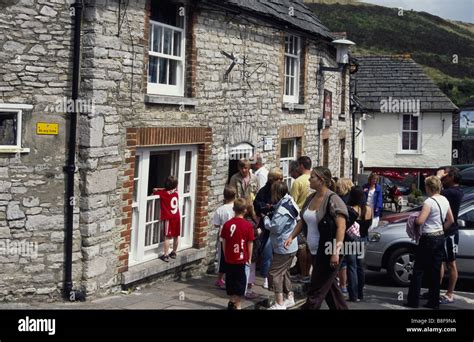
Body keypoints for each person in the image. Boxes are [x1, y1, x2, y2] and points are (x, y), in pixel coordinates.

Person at [284, 166, 349, 310]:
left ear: (321, 180)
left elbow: (341, 227)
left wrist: (335, 252)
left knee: (316, 290)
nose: (309, 179)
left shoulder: (333, 199)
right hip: (314, 250)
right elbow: (302, 220)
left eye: (312, 177)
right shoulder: (310, 197)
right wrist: (291, 237)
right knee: (331, 290)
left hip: (328, 251)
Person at [405, 176, 454, 309]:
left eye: (425, 186)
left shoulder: (429, 202)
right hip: (440, 237)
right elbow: (451, 220)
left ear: (429, 187)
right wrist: (441, 229)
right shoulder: (444, 199)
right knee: (435, 270)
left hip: (428, 238)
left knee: (418, 270)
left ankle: (413, 301)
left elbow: (420, 221)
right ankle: (434, 302)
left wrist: (413, 220)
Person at [264, 181, 299, 309]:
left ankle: (279, 303)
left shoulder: (283, 209)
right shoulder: (289, 200)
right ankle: (289, 297)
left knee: (274, 273)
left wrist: (266, 219)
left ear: (276, 193)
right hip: (290, 245)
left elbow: (275, 228)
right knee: (284, 272)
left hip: (283, 246)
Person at [220, 198, 255, 310]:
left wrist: (225, 255)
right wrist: (249, 257)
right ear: (245, 210)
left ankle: (231, 301)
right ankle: (237, 304)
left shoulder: (227, 224)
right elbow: (250, 243)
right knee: (240, 282)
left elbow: (224, 241)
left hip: (229, 258)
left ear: (233, 209)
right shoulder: (248, 225)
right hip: (241, 258)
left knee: (230, 280)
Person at [437, 167, 463, 304]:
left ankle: (450, 294)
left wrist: (438, 176)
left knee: (451, 264)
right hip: (443, 231)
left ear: (452, 177)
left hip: (450, 233)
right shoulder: (450, 192)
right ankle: (435, 290)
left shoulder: (453, 192)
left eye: (446, 176)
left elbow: (435, 193)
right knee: (439, 262)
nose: (444, 178)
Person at [253, 169, 283, 289]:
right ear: (272, 180)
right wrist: (268, 208)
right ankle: (266, 278)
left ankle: (277, 278)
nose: (281, 181)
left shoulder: (282, 190)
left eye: (281, 178)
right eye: (279, 179)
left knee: (279, 254)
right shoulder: (263, 191)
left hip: (279, 225)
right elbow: (257, 206)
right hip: (266, 226)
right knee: (267, 252)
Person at [346, 186, 372, 302]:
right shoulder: (368, 209)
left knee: (352, 267)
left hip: (351, 240)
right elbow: (368, 225)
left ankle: (353, 295)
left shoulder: (350, 209)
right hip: (364, 239)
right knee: (360, 267)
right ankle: (360, 294)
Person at [290, 156, 313, 284]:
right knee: (309, 247)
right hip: (315, 216)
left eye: (298, 165)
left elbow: (293, 203)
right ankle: (306, 273)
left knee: (302, 247)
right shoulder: (316, 179)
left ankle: (303, 275)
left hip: (302, 217)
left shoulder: (298, 181)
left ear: (302, 166)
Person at [212, 185, 237, 289]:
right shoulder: (236, 208)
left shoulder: (220, 209)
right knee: (233, 258)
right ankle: (230, 279)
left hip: (223, 237)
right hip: (235, 236)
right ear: (235, 196)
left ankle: (219, 279)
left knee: (223, 258)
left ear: (224, 196)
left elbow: (216, 224)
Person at [153, 176, 181, 262]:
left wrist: (156, 189)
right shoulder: (176, 192)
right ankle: (174, 252)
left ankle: (165, 254)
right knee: (176, 235)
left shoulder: (163, 194)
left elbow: (154, 192)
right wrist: (161, 188)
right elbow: (169, 188)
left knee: (167, 237)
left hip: (169, 218)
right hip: (177, 216)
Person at [335, 178, 354, 295]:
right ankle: (348, 285)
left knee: (342, 262)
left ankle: (342, 285)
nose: (336, 189)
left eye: (338, 187)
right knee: (352, 263)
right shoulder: (353, 198)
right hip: (354, 235)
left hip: (344, 234)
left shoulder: (341, 200)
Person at [243, 196, 260, 299]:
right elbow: (251, 237)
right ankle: (247, 291)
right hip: (251, 251)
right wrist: (257, 232)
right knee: (250, 271)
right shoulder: (250, 222)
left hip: (243, 250)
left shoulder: (242, 220)